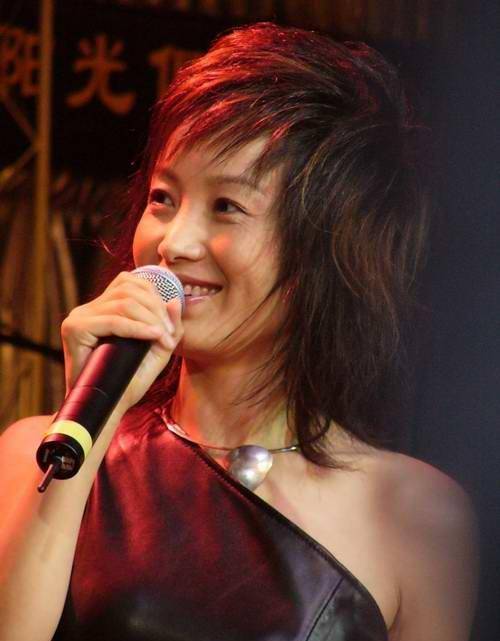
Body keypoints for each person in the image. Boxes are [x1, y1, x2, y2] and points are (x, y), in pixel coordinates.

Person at [0, 22, 477, 641]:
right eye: (163, 198)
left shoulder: (415, 515)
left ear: (326, 250)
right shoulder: (34, 456)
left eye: (226, 206)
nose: (173, 243)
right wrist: (86, 430)